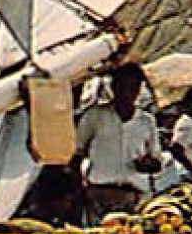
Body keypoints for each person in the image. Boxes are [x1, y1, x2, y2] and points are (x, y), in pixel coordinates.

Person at [70, 62, 163, 221]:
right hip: (99, 193)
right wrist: (78, 188)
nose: (128, 93)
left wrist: (147, 164)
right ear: (113, 87)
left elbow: (157, 161)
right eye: (123, 87)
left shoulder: (146, 121)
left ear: (139, 90)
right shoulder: (94, 116)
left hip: (133, 194)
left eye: (133, 88)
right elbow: (76, 153)